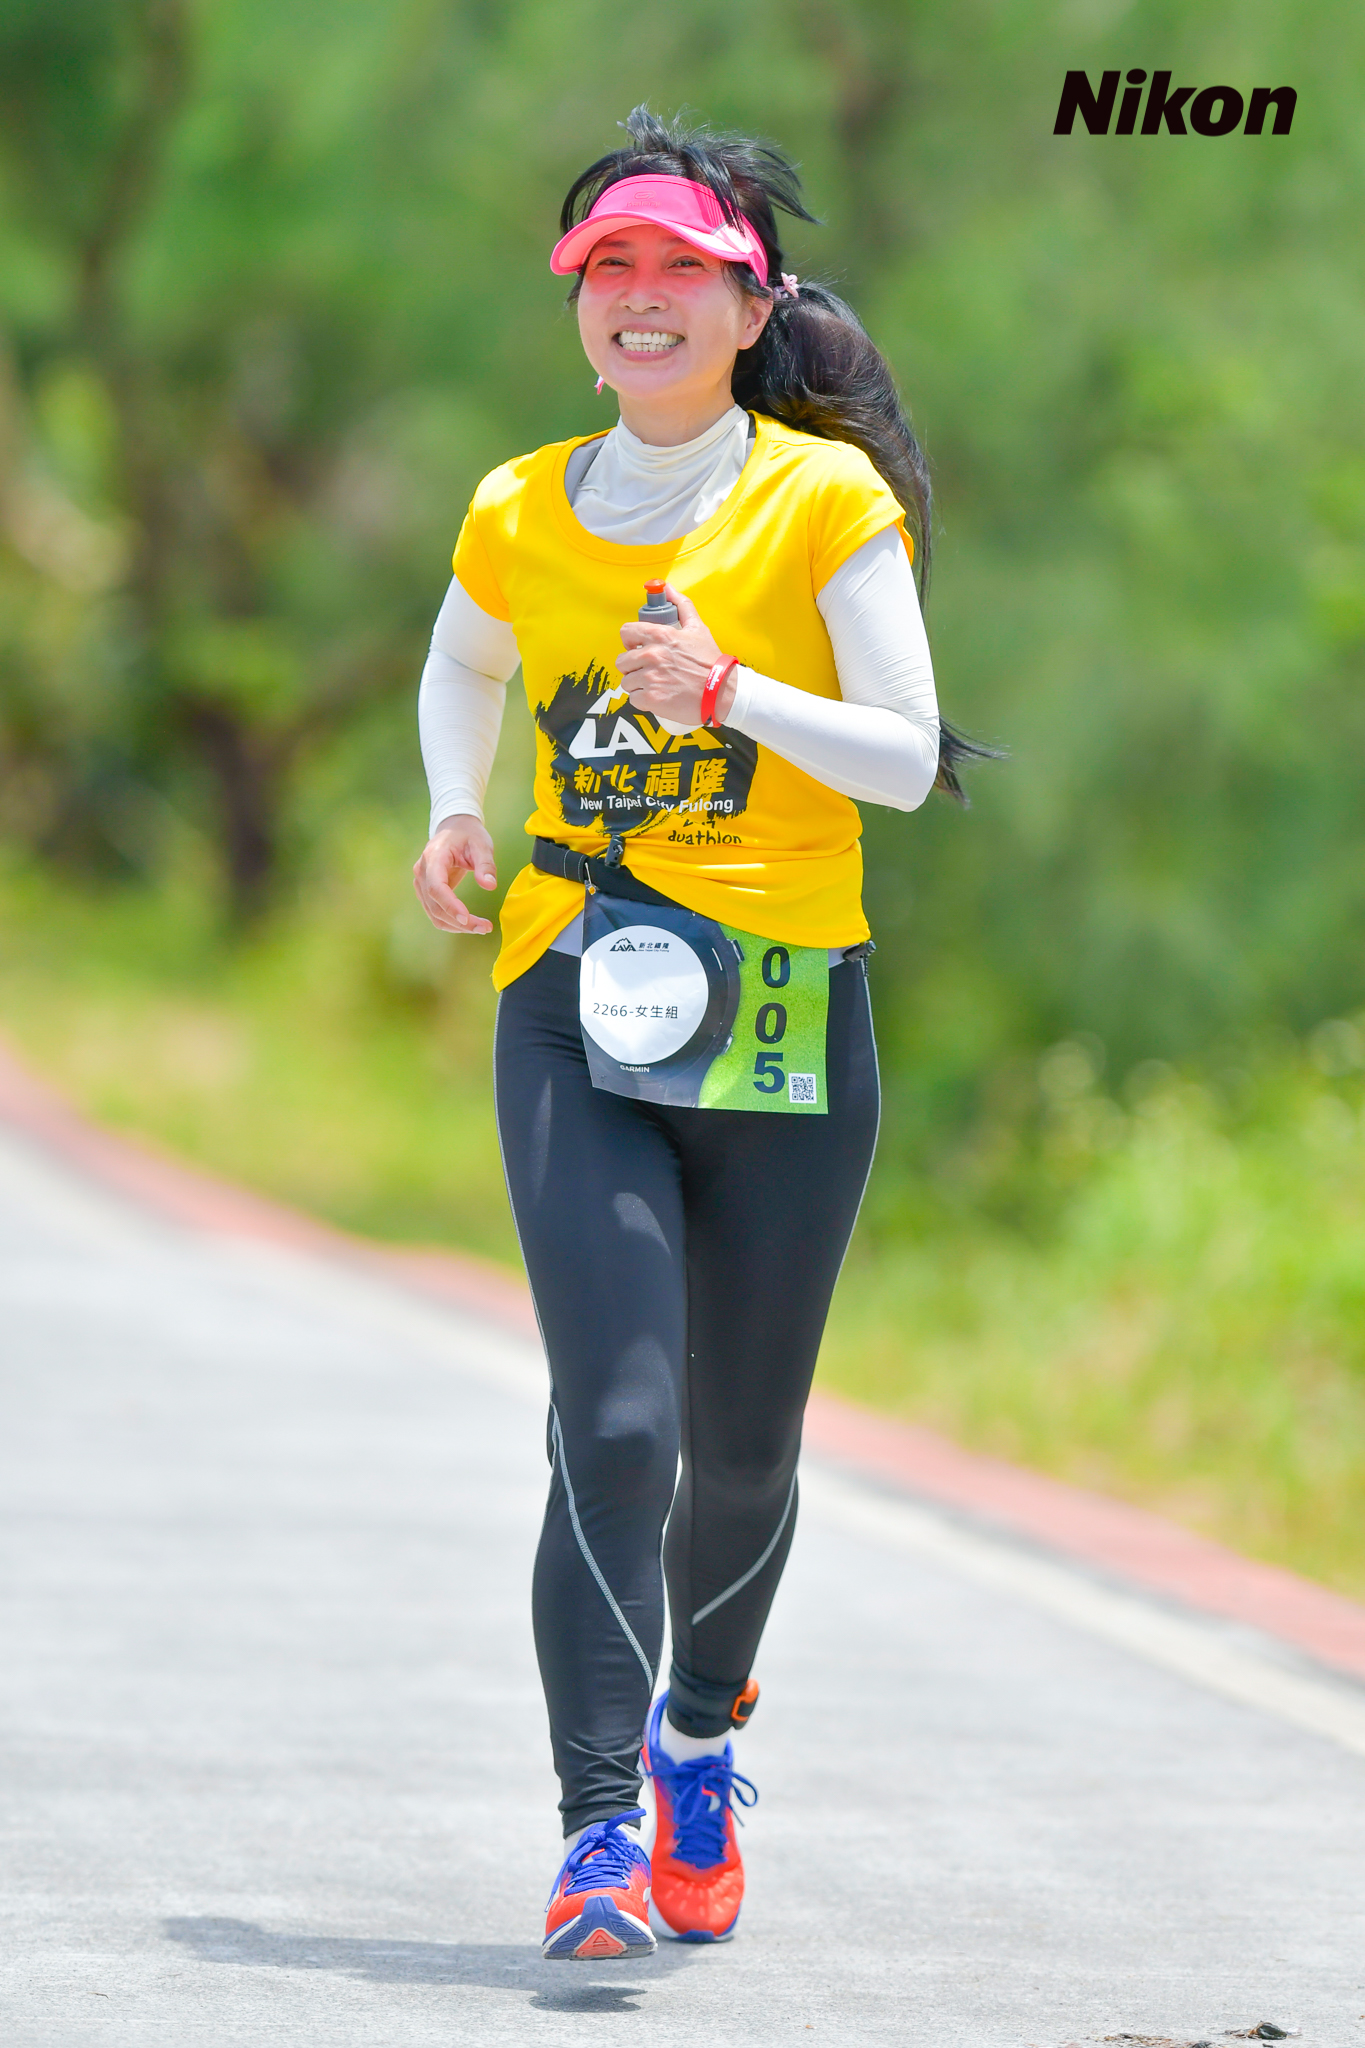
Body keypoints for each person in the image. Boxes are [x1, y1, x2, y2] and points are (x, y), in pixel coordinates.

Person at [413, 107, 979, 1961]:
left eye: (681, 268)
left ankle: (697, 1737)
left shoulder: (823, 505)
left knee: (740, 1452)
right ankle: (593, 1832)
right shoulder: (517, 504)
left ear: (751, 307)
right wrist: (456, 804)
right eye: (610, 267)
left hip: (784, 1018)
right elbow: (465, 657)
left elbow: (904, 756)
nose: (640, 295)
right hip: (573, 998)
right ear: (577, 303)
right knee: (619, 1422)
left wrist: (729, 692)